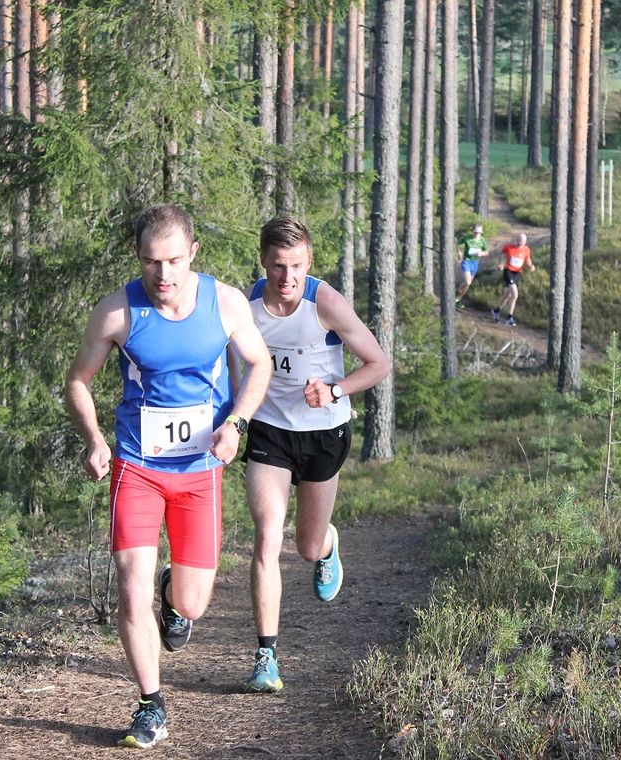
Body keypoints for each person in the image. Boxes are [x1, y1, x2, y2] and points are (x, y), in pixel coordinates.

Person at [64, 204, 271, 749]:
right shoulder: (117, 312)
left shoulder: (224, 304)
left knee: (193, 603)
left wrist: (236, 424)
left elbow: (260, 364)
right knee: (130, 592)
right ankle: (150, 705)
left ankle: (175, 600)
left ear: (193, 254)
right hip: (137, 466)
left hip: (201, 471)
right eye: (153, 262)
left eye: (175, 261)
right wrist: (94, 441)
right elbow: (78, 381)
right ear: (139, 257)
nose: (164, 275)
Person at [239, 215, 390, 694]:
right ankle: (266, 656)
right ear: (264, 262)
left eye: (297, 266)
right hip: (270, 431)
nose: (288, 278)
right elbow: (232, 371)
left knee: (304, 547)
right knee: (267, 536)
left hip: (325, 433)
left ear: (310, 263)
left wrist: (335, 388)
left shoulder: (324, 301)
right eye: (279, 266)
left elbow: (379, 364)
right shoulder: (247, 306)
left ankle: (327, 545)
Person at [491, 232, 534, 327]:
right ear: (516, 239)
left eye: (523, 241)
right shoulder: (509, 247)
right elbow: (501, 254)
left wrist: (531, 266)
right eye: (519, 240)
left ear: (525, 242)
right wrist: (501, 264)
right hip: (508, 272)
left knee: (508, 295)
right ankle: (509, 318)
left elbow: (527, 260)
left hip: (517, 273)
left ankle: (496, 311)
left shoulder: (526, 250)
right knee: (515, 295)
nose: (521, 243)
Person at [455, 223, 488, 309]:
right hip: (466, 261)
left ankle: (458, 298)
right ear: (472, 231)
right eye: (476, 232)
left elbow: (486, 251)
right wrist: (459, 252)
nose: (477, 234)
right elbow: (458, 243)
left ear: (482, 232)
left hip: (475, 263)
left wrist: (482, 253)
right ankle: (457, 294)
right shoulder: (467, 238)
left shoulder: (482, 241)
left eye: (479, 233)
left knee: (467, 284)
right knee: (468, 282)